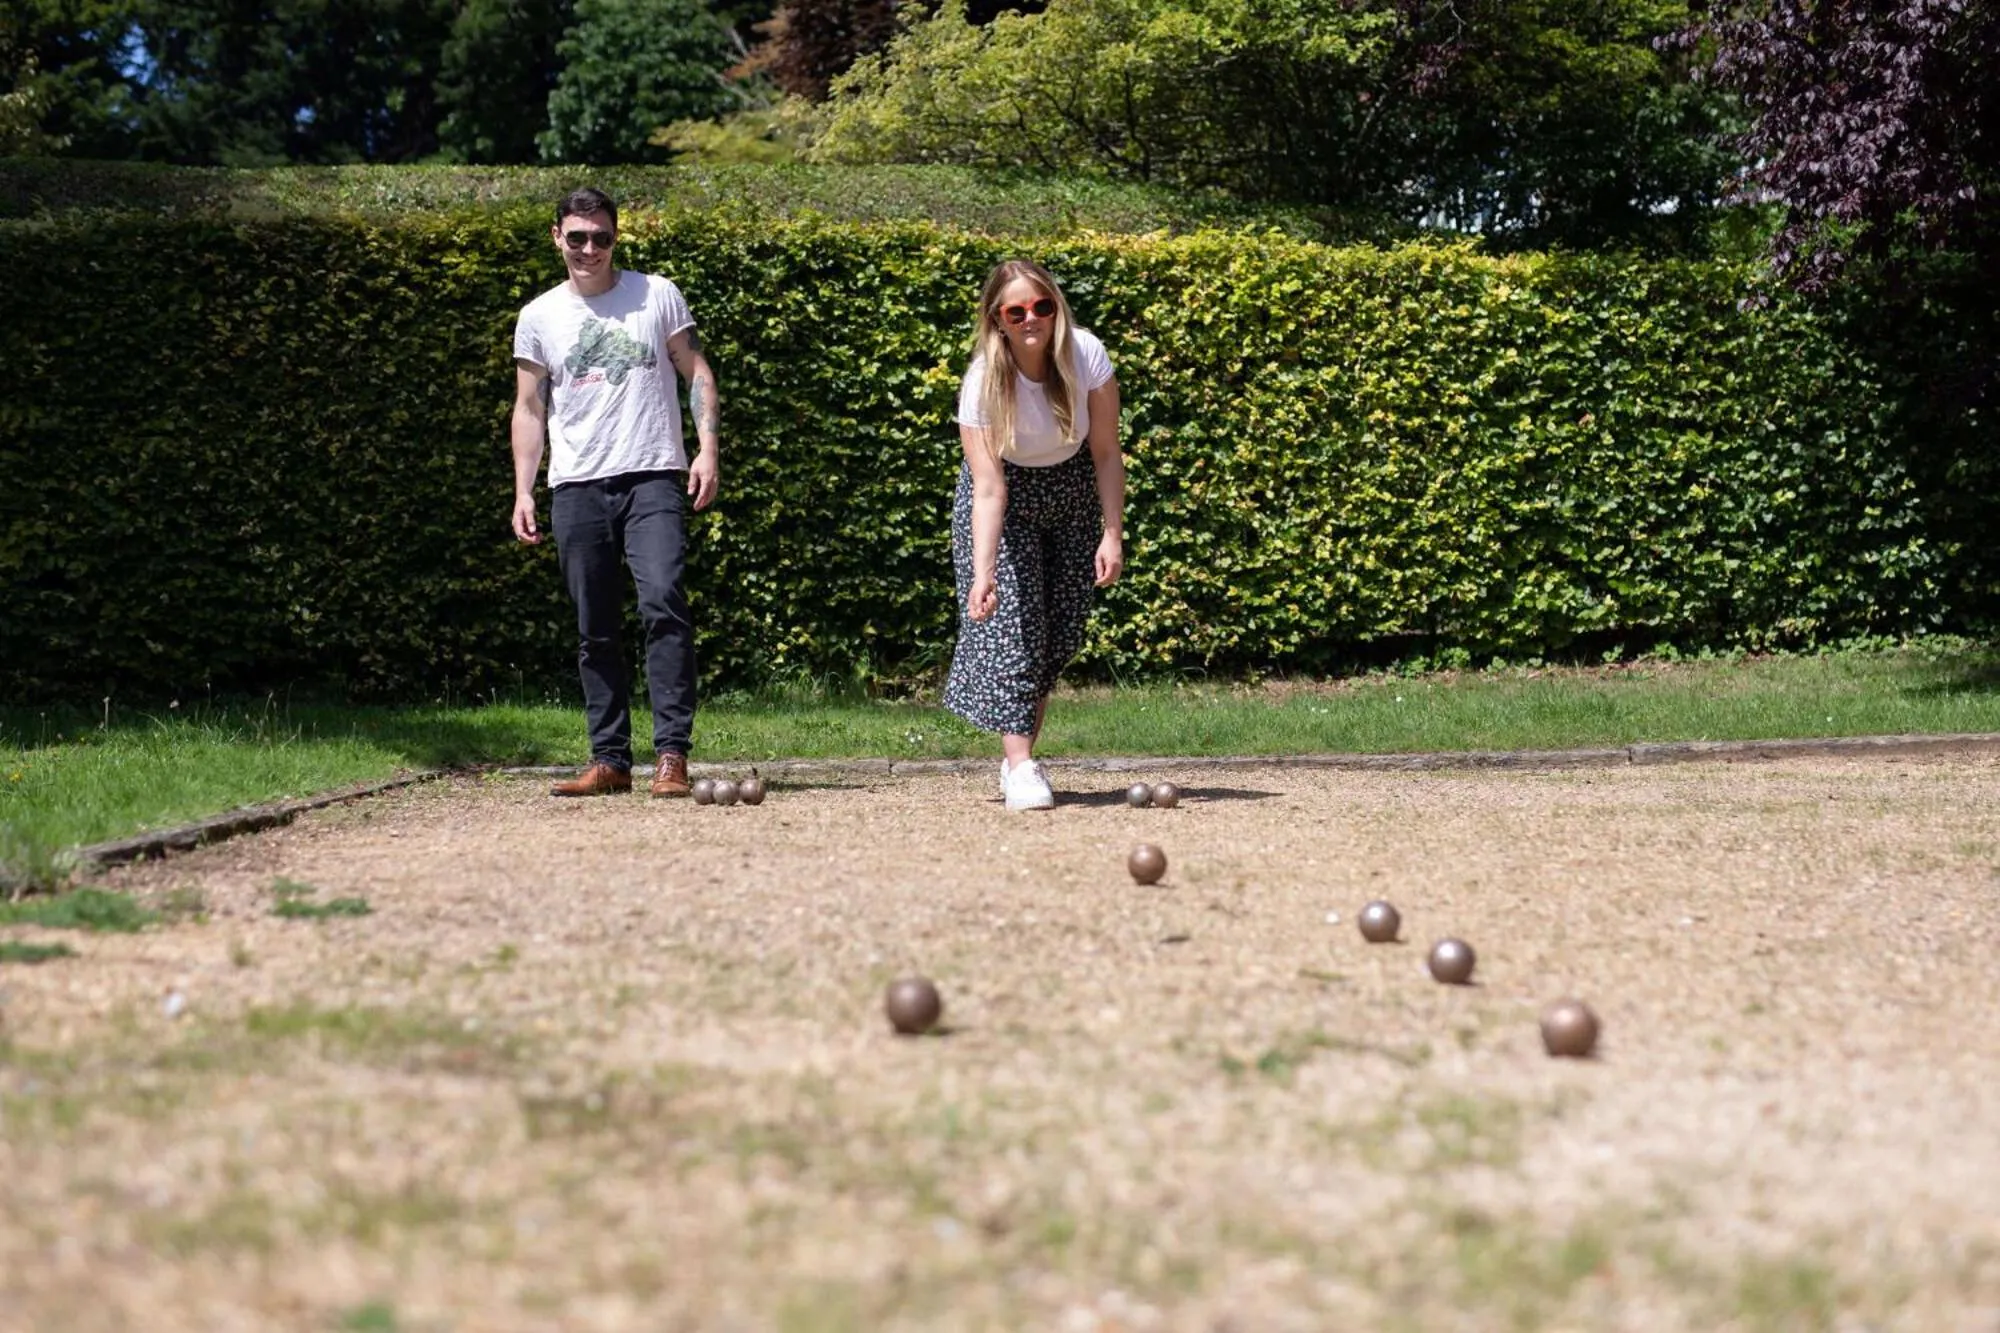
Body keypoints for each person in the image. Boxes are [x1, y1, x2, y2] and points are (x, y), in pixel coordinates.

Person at [510, 187, 721, 798]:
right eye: (577, 237)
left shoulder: (657, 295)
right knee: (593, 624)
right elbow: (528, 407)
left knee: (663, 602)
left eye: (601, 236)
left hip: (653, 472)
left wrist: (707, 449)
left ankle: (671, 756)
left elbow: (697, 372)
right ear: (557, 238)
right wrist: (524, 490)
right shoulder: (539, 315)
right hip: (574, 482)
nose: (589, 248)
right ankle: (610, 761)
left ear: (615, 237)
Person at [944, 259, 1126, 811]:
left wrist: (1111, 534)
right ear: (998, 319)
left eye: (1042, 307)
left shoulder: (1086, 355)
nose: (1032, 319)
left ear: (1056, 309)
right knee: (1014, 630)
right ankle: (1022, 766)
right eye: (1016, 310)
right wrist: (984, 572)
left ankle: (1016, 763)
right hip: (1008, 497)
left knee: (1056, 636)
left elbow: (1106, 453)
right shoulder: (982, 381)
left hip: (1071, 491)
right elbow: (989, 487)